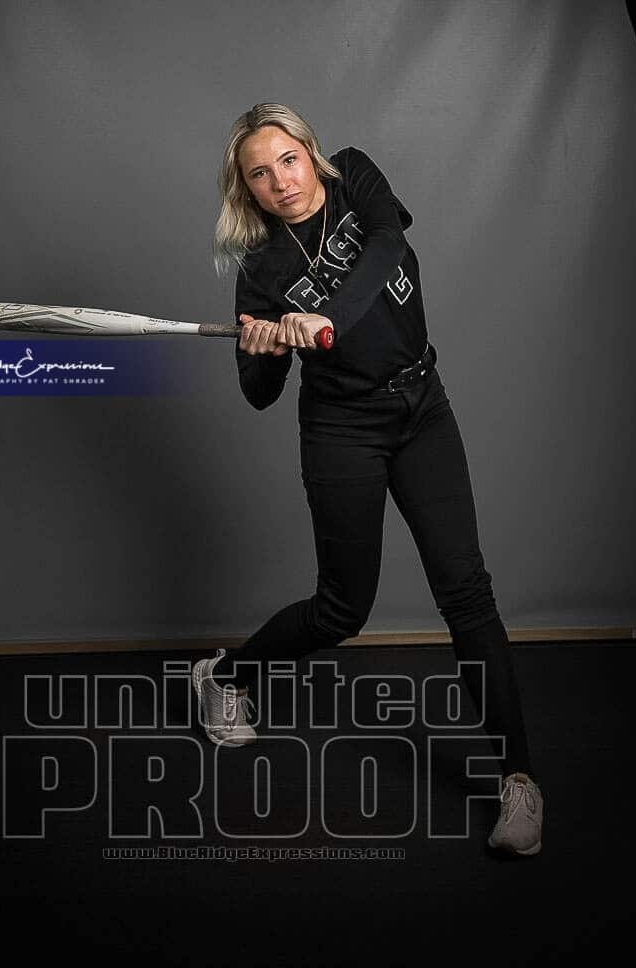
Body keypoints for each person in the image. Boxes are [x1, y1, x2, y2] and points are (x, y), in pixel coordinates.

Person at [191, 102, 543, 857]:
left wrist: (325, 319)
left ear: (310, 152)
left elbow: (387, 246)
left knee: (467, 591)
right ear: (246, 189)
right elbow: (259, 395)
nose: (281, 182)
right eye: (260, 174)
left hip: (422, 408)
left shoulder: (355, 177)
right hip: (341, 428)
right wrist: (265, 349)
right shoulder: (262, 268)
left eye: (288, 159)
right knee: (341, 609)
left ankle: (519, 781)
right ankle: (225, 676)